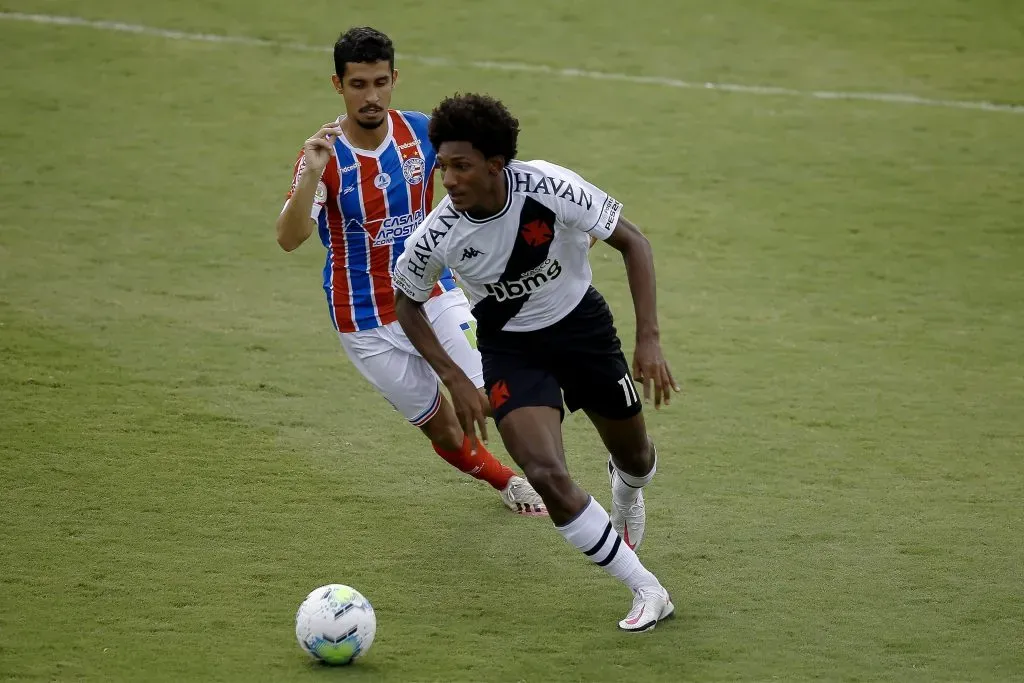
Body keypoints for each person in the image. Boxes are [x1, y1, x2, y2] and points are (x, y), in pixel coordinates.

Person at [392, 93, 682, 631]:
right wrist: (455, 376)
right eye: (442, 166)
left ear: (496, 165)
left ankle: (627, 487)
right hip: (511, 349)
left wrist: (649, 341)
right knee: (545, 472)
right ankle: (646, 587)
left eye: (462, 166)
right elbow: (406, 301)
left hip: (583, 329)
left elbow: (634, 243)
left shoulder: (549, 186)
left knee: (637, 457)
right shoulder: (438, 233)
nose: (448, 179)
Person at [275, 28, 545, 515]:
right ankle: (509, 482)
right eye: (358, 84)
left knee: (489, 396)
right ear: (338, 85)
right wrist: (312, 174)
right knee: (442, 426)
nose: (371, 96)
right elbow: (289, 238)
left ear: (395, 78)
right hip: (363, 318)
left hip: (431, 291)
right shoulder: (322, 156)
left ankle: (552, 474)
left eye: (380, 82)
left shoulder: (422, 132)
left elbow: (489, 175)